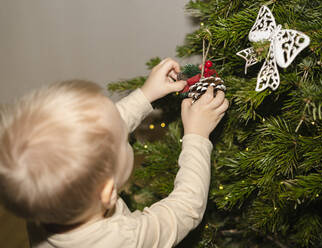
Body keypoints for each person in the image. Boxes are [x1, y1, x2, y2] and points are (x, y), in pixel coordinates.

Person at [0, 58, 229, 247]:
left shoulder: (41, 204)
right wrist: (197, 136)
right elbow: (185, 209)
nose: (118, 129)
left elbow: (96, 136)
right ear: (108, 192)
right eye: (120, 139)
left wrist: (144, 95)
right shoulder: (123, 238)